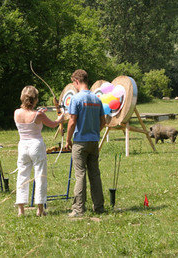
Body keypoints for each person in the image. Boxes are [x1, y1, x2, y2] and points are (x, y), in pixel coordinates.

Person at [14, 86, 64, 217]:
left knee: (22, 176)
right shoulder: (38, 114)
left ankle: (21, 210)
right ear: (35, 99)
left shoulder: (17, 112)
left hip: (23, 145)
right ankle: (40, 209)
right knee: (40, 176)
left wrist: (39, 112)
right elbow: (53, 124)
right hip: (36, 145)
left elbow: (29, 115)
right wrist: (62, 117)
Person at [65, 69, 106, 217]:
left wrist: (68, 140)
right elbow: (103, 122)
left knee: (80, 175)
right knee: (95, 174)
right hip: (94, 142)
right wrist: (95, 131)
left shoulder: (76, 99)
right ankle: (99, 207)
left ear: (76, 81)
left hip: (80, 143)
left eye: (73, 83)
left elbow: (72, 122)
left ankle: (78, 209)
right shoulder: (97, 99)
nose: (74, 87)